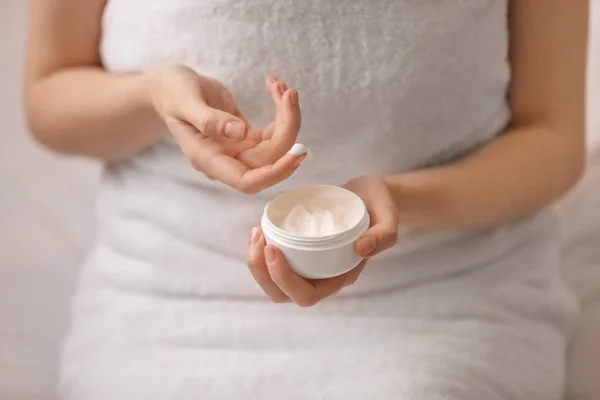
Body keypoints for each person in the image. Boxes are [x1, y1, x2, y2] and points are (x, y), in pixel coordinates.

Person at [24, 1, 588, 399]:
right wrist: (151, 99)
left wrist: (403, 200)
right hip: (171, 288)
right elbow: (48, 97)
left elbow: (553, 138)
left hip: (446, 287)